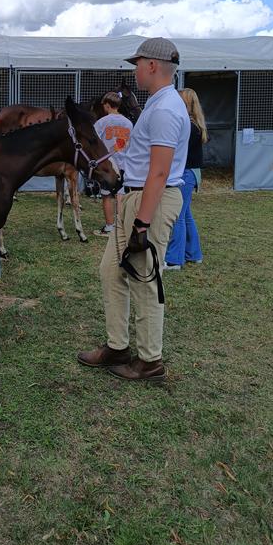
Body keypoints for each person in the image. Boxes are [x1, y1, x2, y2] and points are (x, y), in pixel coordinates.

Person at [77, 37, 190, 382]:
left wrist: (142, 222)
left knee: (144, 278)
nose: (135, 70)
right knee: (112, 271)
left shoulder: (166, 109)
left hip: (149, 200)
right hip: (135, 197)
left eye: (138, 64)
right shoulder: (158, 104)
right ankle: (117, 346)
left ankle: (150, 360)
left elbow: (159, 172)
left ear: (152, 65)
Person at [164, 88, 207, 270]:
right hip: (192, 173)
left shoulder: (188, 126)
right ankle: (193, 253)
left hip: (186, 173)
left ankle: (174, 260)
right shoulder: (196, 125)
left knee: (178, 216)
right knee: (186, 214)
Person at [92, 92, 133, 236]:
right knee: (121, 195)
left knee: (107, 196)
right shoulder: (128, 123)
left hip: (108, 165)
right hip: (124, 163)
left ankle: (110, 227)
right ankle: (121, 227)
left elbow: (94, 141)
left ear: (107, 105)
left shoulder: (102, 122)